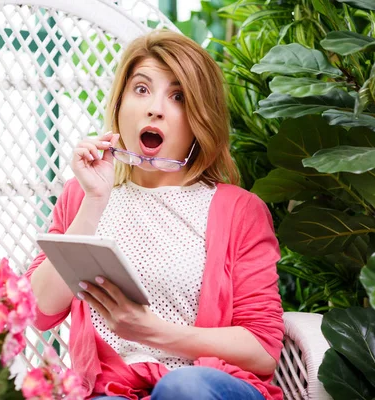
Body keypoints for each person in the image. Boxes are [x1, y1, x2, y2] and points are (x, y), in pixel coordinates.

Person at [26, 30, 284, 400]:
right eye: (142, 89)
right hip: (114, 389)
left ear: (199, 118)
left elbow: (262, 349)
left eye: (177, 96)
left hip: (206, 388)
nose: (155, 108)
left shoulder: (239, 211)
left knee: (182, 389)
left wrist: (152, 332)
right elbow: (38, 310)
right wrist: (94, 199)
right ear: (120, 105)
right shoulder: (82, 196)